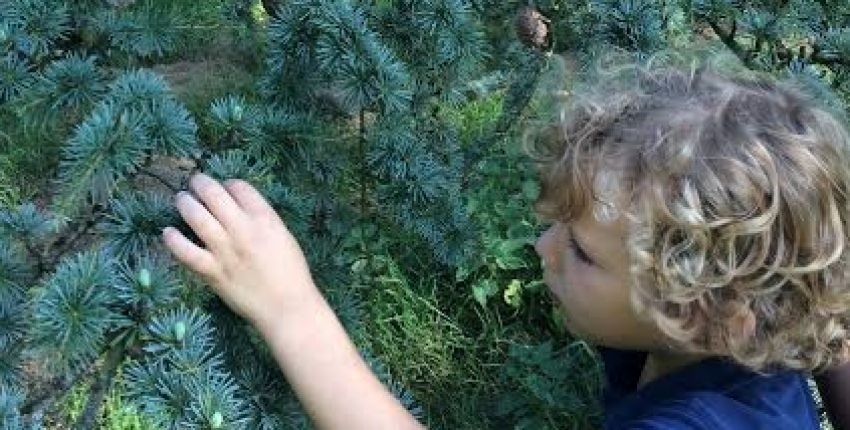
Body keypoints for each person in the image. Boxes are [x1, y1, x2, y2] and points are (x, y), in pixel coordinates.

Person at [161, 50, 850, 429]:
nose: (543, 249)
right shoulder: (758, 317)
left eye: (580, 252)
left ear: (706, 311)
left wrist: (291, 312)